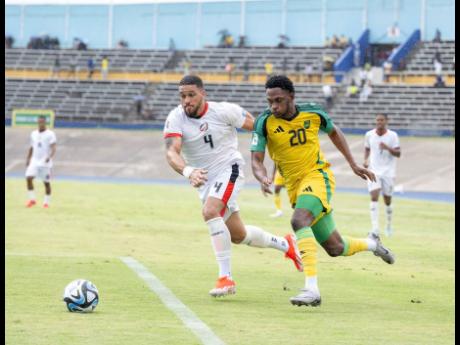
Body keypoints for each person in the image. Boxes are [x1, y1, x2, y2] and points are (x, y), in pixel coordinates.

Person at [250, 75, 395, 307]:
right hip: (296, 188)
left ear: (291, 97)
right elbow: (256, 159)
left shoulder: (313, 113)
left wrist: (353, 164)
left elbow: (335, 132)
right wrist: (262, 177)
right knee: (336, 248)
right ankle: (372, 244)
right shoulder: (264, 122)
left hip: (318, 177)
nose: (273, 106)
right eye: (270, 101)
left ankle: (311, 289)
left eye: (278, 100)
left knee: (299, 221)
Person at [163, 75, 303, 298]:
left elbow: (260, 127)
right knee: (238, 235)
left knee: (210, 212)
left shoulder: (223, 111)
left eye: (191, 95)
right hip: (205, 181)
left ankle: (225, 278)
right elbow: (172, 151)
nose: (186, 101)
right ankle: (287, 245)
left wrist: (275, 158)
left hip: (230, 169)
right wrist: (189, 171)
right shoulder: (176, 117)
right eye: (182, 96)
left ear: (203, 94)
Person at [364, 113, 401, 237]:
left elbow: (398, 153)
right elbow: (367, 148)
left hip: (389, 172)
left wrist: (387, 148)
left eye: (382, 120)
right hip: (374, 170)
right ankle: (375, 228)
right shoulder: (369, 134)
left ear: (386, 121)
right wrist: (365, 160)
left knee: (387, 200)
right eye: (377, 120)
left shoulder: (393, 136)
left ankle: (389, 225)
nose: (379, 122)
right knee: (374, 196)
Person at [25, 116, 57, 208]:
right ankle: (32, 200)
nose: (40, 124)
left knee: (46, 183)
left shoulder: (50, 134)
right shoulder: (33, 134)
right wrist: (28, 158)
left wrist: (50, 157)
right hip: (34, 161)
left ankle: (46, 203)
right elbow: (32, 147)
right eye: (39, 122)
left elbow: (54, 147)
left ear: (45, 123)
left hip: (45, 162)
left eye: (42, 122)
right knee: (28, 178)